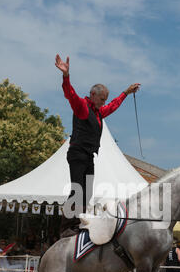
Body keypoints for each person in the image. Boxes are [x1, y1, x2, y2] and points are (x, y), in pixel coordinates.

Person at [55, 54, 141, 237]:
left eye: (105, 100)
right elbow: (70, 94)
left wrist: (126, 92)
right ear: (93, 95)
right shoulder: (83, 107)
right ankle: (65, 227)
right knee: (77, 189)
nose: (104, 102)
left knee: (87, 192)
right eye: (102, 99)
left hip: (89, 156)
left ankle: (77, 223)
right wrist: (65, 76)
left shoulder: (98, 112)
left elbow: (112, 106)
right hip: (77, 153)